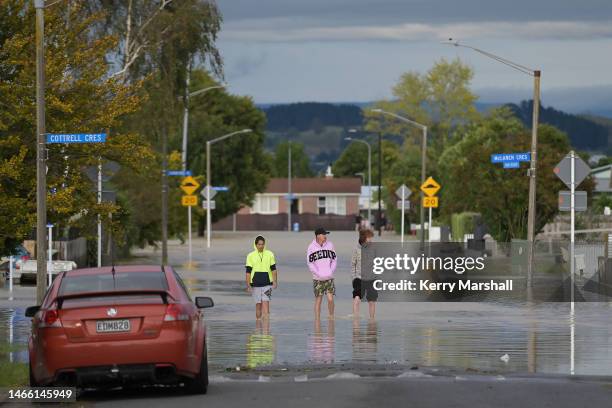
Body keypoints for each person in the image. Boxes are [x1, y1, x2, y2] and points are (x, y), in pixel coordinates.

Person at [307, 227, 337, 320]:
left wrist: (331, 271)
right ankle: (317, 319)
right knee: (318, 300)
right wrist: (318, 273)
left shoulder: (330, 245)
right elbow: (310, 263)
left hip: (329, 277)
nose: (325, 236)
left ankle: (331, 316)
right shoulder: (311, 247)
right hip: (318, 279)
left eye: (325, 234)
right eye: (324, 234)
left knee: (330, 299)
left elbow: (334, 260)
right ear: (318, 235)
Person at [245, 236, 277, 320]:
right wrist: (248, 285)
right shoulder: (250, 255)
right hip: (255, 284)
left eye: (262, 244)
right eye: (259, 244)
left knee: (266, 305)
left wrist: (275, 281)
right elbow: (248, 272)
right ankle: (258, 327)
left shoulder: (270, 254)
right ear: (256, 245)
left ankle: (266, 331)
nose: (261, 246)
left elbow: (273, 269)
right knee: (258, 305)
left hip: (268, 284)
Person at [351, 229, 377, 319]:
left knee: (372, 301)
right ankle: (355, 319)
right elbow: (353, 264)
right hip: (359, 278)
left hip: (371, 278)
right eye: (369, 238)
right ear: (364, 238)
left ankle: (372, 321)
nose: (371, 239)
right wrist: (353, 278)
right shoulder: (356, 249)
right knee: (357, 298)